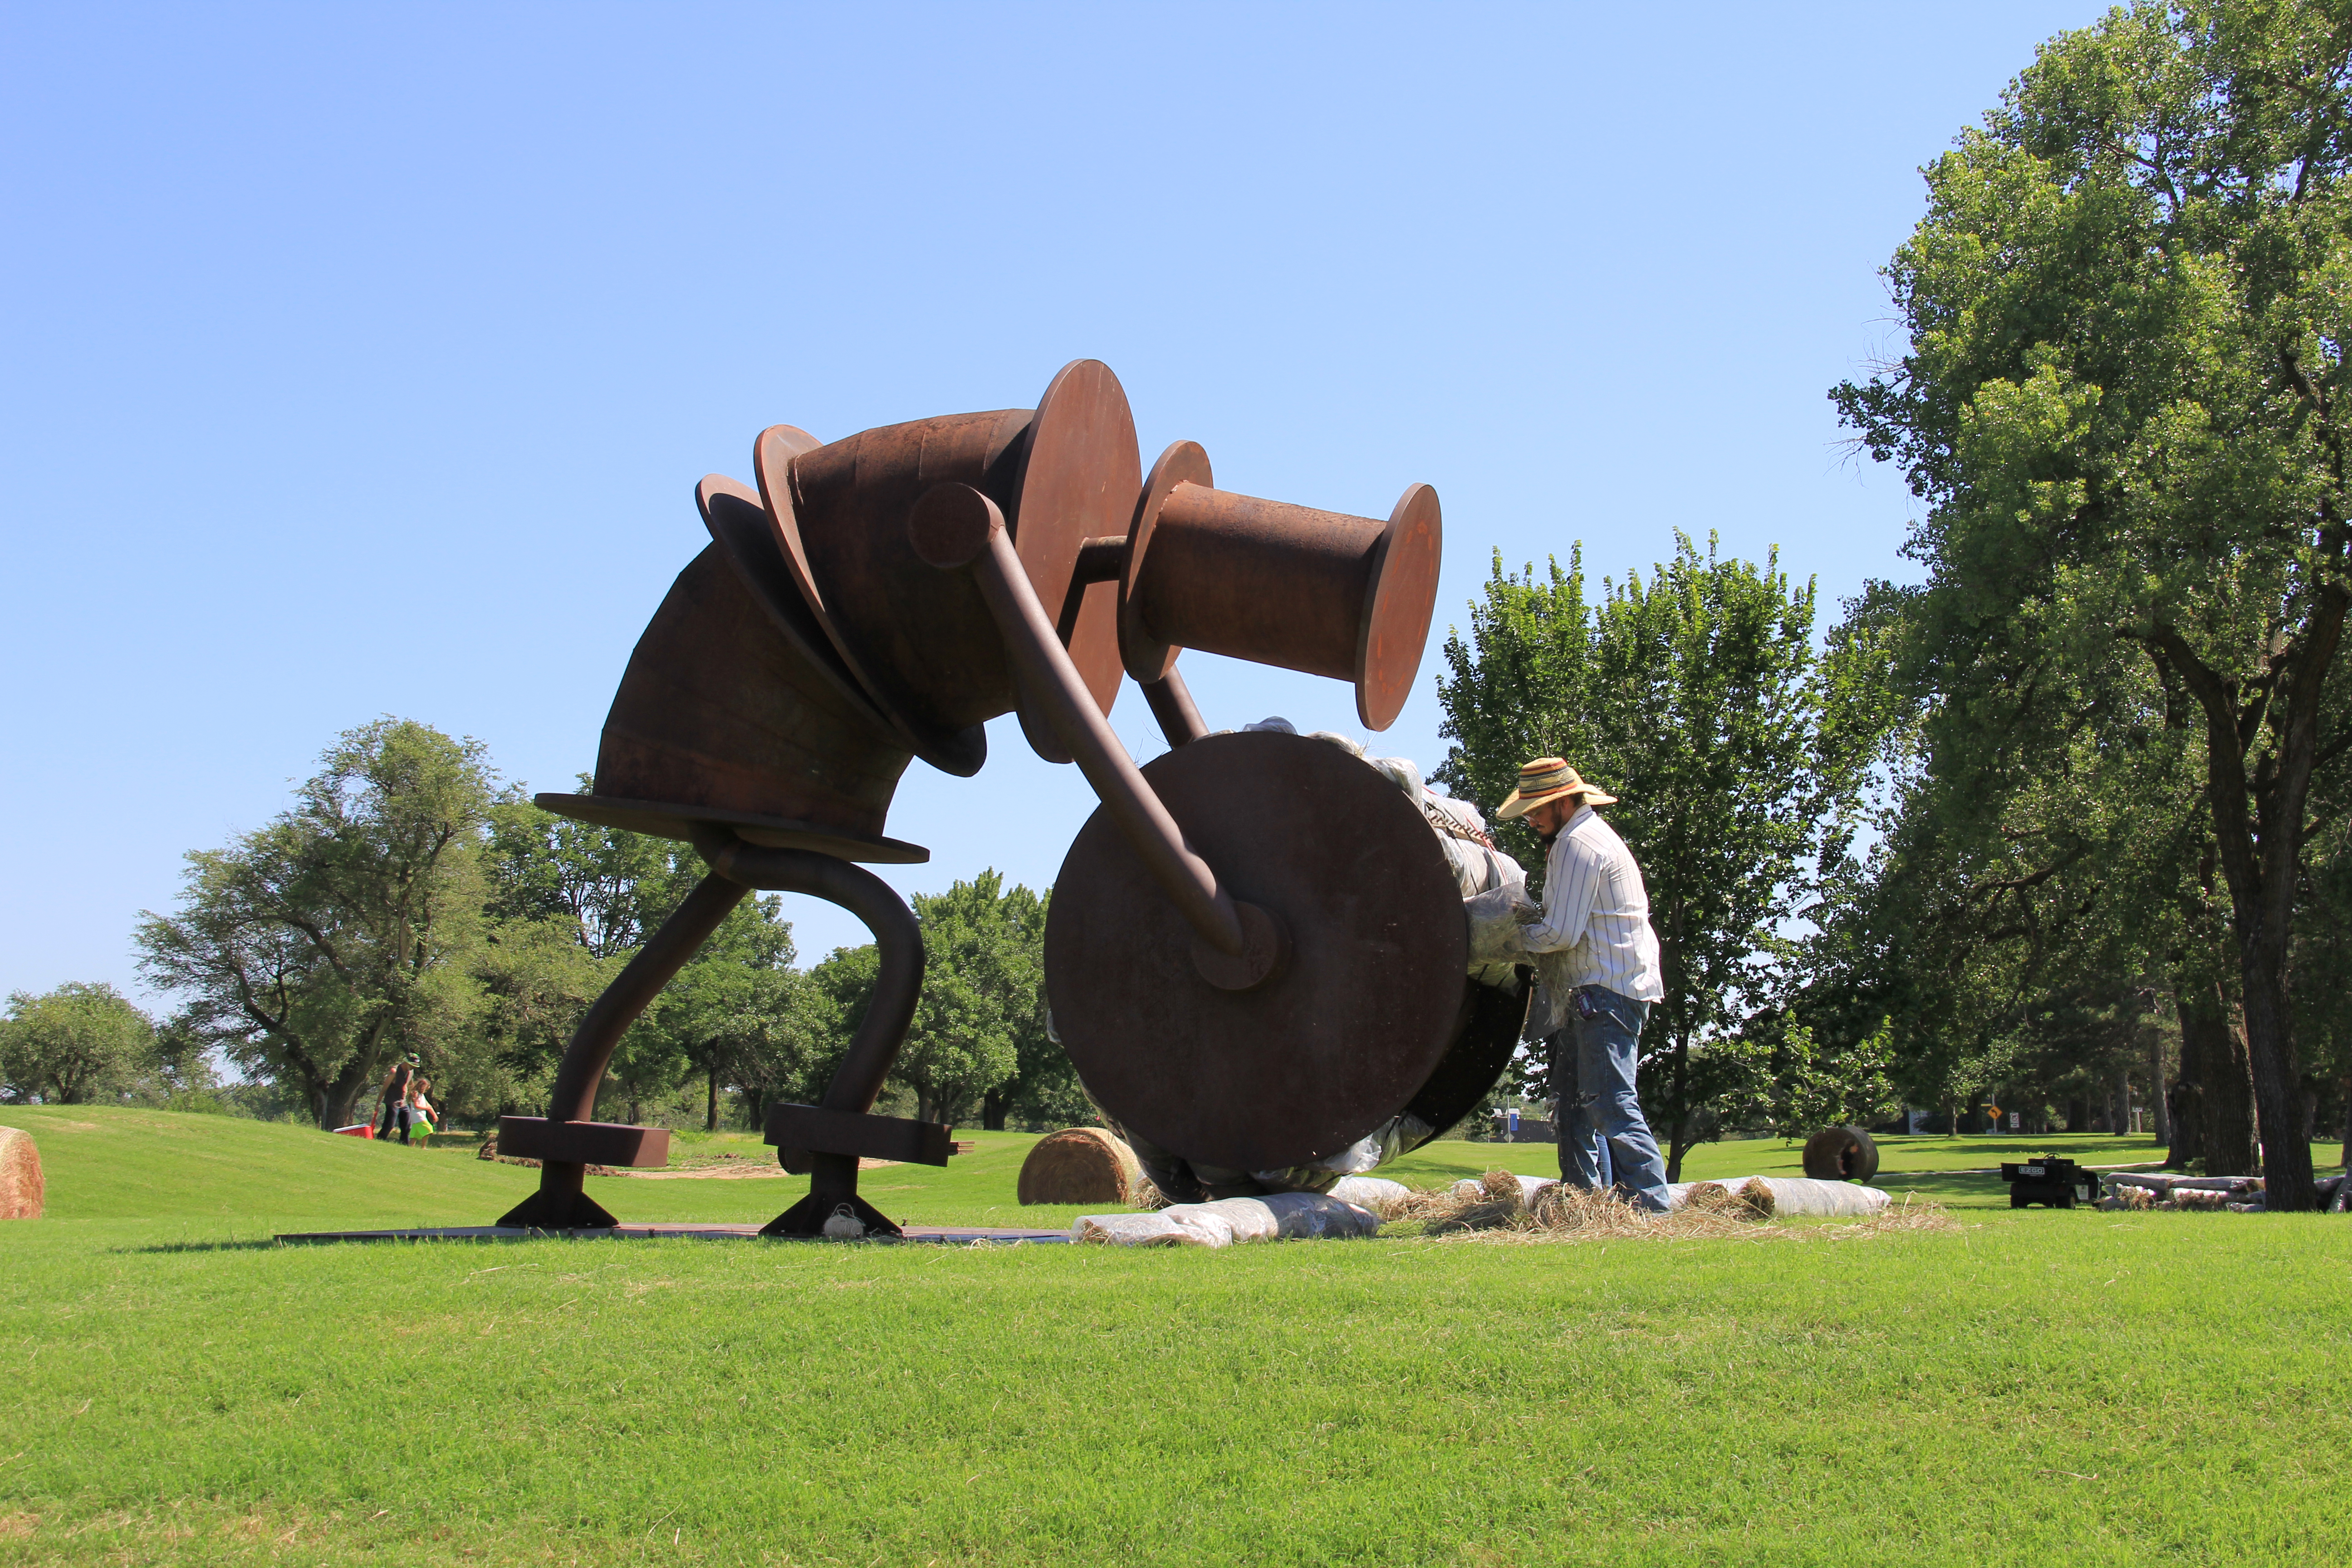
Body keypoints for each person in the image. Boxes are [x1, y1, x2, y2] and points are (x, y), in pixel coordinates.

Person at [1495, 757, 1670, 1214]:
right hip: (1595, 989)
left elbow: (1560, 935)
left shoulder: (1579, 846)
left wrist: (1504, 937)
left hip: (1605, 991)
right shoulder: (1578, 840)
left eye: (1538, 809)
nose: (1531, 818)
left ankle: (1653, 1211)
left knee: (1609, 1104)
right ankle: (1586, 1209)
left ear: (1565, 801)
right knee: (1574, 1108)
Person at [375, 1053, 420, 1141]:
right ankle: (379, 1140)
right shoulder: (394, 1072)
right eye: (412, 1065)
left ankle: (404, 1145)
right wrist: (378, 1104)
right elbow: (384, 1089)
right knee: (390, 1125)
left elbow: (410, 1085)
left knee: (407, 1127)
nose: (413, 1067)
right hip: (392, 1101)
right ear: (406, 1062)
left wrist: (413, 1093)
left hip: (403, 1102)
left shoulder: (411, 1071)